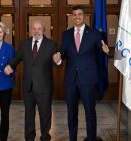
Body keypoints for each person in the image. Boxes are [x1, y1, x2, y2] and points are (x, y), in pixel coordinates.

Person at [53, 5, 109, 141]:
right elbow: (63, 53)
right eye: (74, 15)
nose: (77, 17)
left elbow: (100, 51)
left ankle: (91, 139)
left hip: (88, 80)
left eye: (79, 14)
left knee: (90, 113)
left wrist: (106, 52)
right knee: (72, 113)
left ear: (84, 16)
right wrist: (59, 58)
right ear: (72, 17)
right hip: (71, 80)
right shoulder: (66, 34)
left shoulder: (95, 33)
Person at [4, 20, 57, 141]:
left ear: (43, 30)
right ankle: (29, 137)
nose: (36, 31)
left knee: (45, 115)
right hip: (28, 87)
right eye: (34, 28)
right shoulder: (25, 43)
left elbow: (56, 64)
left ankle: (45, 137)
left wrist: (58, 60)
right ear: (31, 30)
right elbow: (17, 58)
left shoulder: (51, 44)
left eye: (39, 29)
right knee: (29, 115)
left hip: (44, 87)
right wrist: (10, 66)